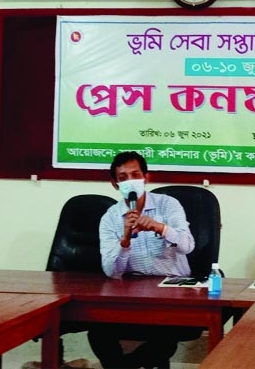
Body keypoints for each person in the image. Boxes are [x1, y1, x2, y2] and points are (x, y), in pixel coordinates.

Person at [88, 151, 200, 368]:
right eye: (122, 177)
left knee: (166, 337)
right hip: (132, 296)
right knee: (98, 332)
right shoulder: (110, 217)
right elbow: (112, 272)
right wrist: (125, 240)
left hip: (173, 293)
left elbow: (187, 246)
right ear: (114, 184)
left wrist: (161, 227)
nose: (130, 181)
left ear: (146, 178)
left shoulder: (169, 205)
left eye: (135, 174)